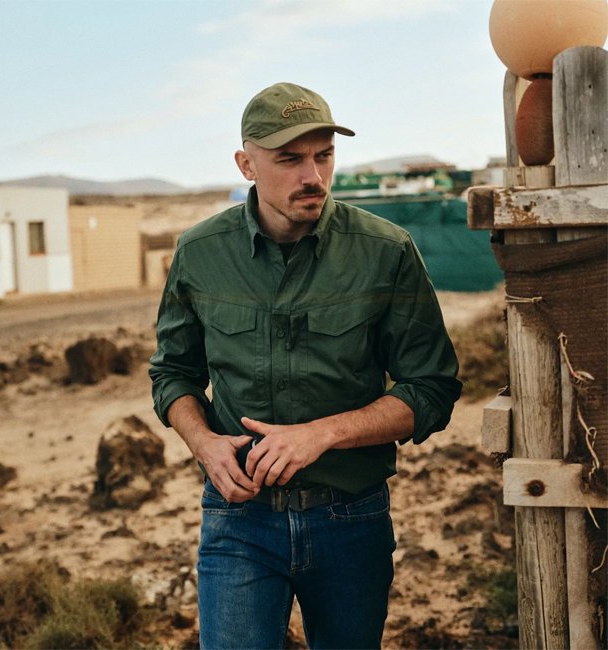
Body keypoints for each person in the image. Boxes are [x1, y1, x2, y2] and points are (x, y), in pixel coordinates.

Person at [150, 82, 461, 649]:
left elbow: (432, 388)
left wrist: (323, 434)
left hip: (351, 519)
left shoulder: (386, 251)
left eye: (324, 155)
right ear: (246, 164)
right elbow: (172, 374)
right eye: (290, 159)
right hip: (238, 520)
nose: (313, 175)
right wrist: (204, 443)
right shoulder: (199, 253)